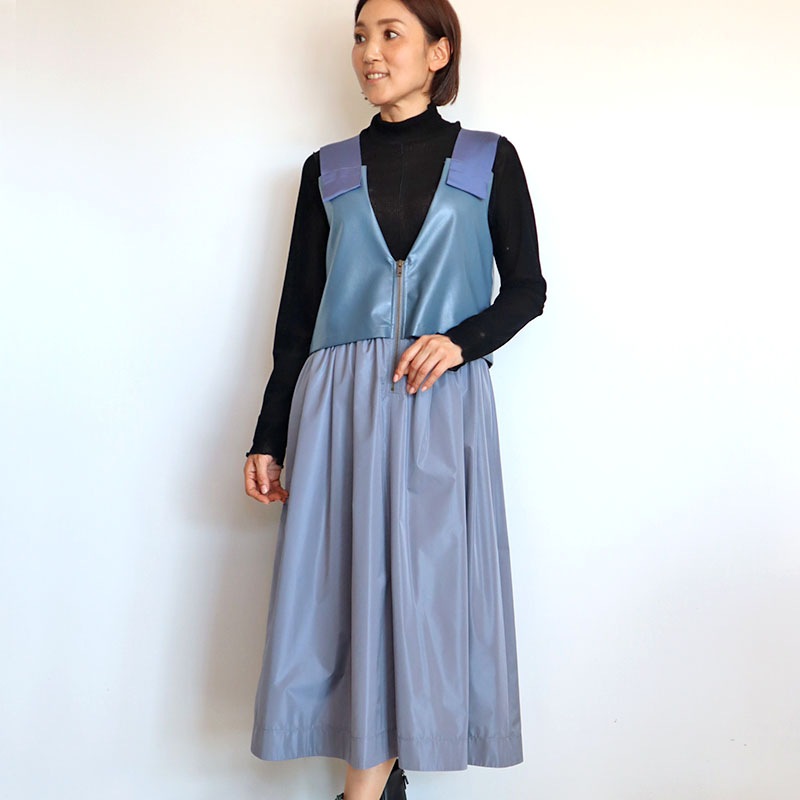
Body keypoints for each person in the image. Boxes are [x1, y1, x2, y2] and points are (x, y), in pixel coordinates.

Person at [243, 0, 546, 798]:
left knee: (430, 591)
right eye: (359, 36)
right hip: (339, 407)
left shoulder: (488, 160)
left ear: (438, 52)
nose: (369, 52)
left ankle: (370, 787)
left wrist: (460, 341)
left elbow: (527, 289)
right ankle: (377, 784)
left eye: (389, 34)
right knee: (342, 594)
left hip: (439, 402)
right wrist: (268, 436)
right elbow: (296, 315)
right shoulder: (328, 169)